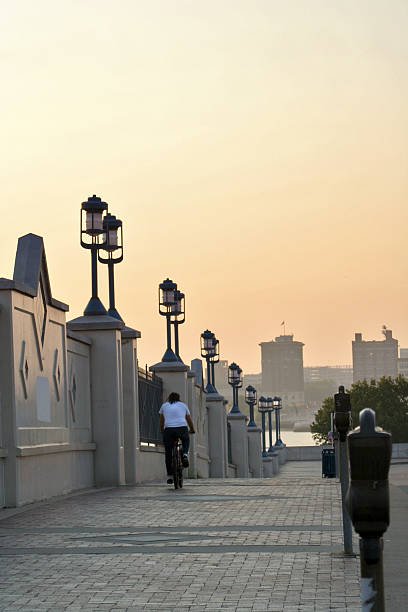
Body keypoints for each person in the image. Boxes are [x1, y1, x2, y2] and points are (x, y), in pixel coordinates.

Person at [159, 392, 195, 485]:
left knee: (168, 453)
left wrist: (162, 430)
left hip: (169, 430)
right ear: (179, 398)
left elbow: (162, 420)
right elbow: (188, 419)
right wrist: (192, 429)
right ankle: (185, 455)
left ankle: (170, 476)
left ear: (169, 398)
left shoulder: (164, 406)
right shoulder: (183, 405)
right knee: (186, 440)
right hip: (182, 428)